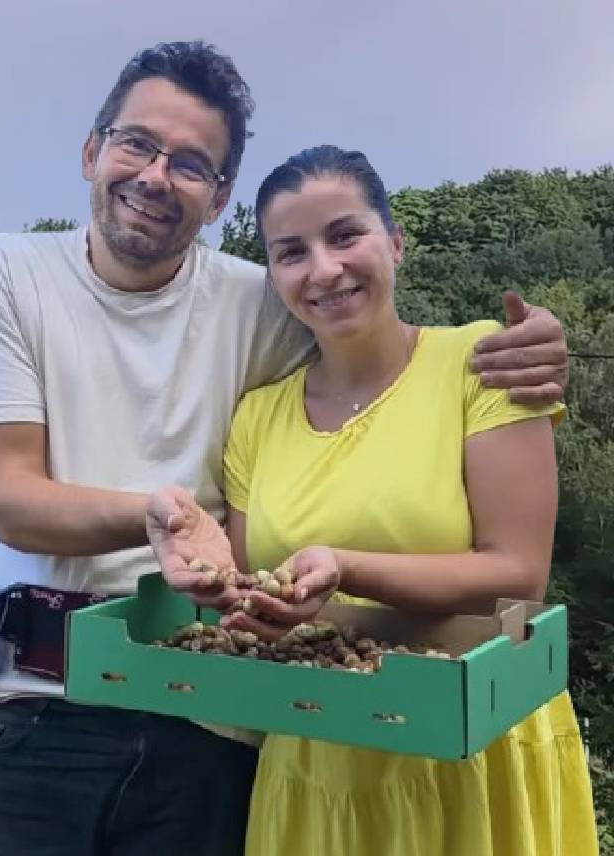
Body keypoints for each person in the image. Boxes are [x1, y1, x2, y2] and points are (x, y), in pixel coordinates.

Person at [0, 40, 573, 855]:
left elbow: (389, 357)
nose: (155, 176)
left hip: (214, 718)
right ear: (93, 150)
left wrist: (540, 346)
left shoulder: (260, 300)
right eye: (137, 144)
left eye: (190, 163)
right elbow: (12, 500)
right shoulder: (4, 272)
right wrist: (160, 514)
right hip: (32, 706)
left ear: (219, 196)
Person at [169, 144, 598, 856]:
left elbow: (518, 576)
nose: (324, 269)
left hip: (468, 743)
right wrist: (215, 578)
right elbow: (254, 602)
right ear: (273, 275)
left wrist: (346, 566)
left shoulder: (483, 363)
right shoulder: (258, 417)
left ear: (395, 243)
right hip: (317, 750)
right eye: (291, 252)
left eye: (345, 235)